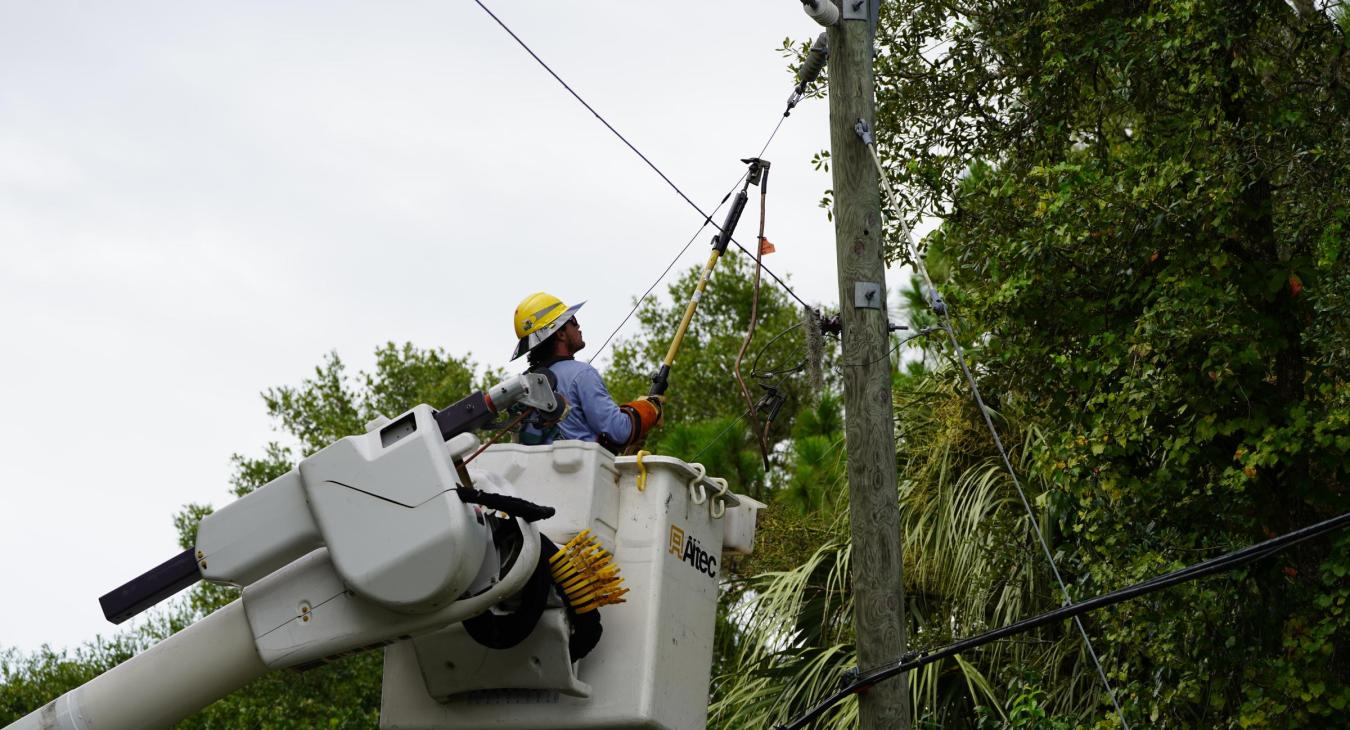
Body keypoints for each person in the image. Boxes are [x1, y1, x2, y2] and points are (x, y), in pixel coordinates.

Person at [510, 292, 662, 452]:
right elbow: (619, 431)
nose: (578, 326)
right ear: (560, 333)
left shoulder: (522, 386)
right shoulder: (582, 375)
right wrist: (650, 408)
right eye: (572, 321)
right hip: (578, 473)